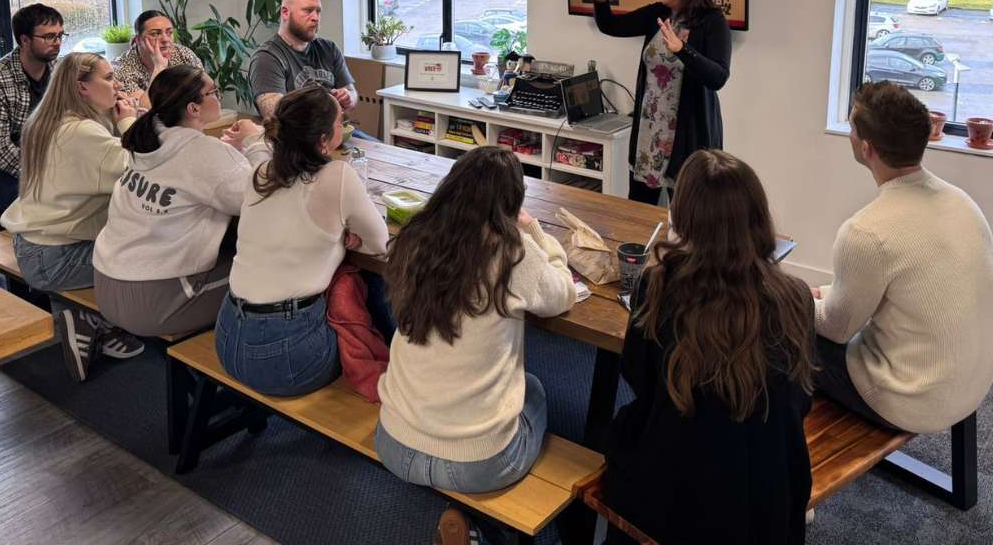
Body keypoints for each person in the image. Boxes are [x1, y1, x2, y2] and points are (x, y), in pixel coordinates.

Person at [605, 149, 815, 545]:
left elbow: (637, 377)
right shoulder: (796, 297)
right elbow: (800, 400)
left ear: (682, 220)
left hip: (675, 496)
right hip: (769, 492)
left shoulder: (659, 286)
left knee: (621, 434)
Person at [375, 147, 576, 544]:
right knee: (531, 389)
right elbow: (562, 294)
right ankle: (479, 526)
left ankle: (462, 520)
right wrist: (535, 232)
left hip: (394, 442)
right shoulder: (511, 250)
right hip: (479, 463)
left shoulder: (415, 236)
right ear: (511, 203)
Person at [814, 81, 993, 434]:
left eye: (851, 127)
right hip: (975, 383)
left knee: (777, 331)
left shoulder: (865, 232)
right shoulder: (964, 203)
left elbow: (835, 329)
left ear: (866, 148)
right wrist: (830, 292)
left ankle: (793, 457)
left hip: (912, 400)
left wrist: (798, 299)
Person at [215, 84, 389, 396]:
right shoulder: (338, 176)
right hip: (287, 355)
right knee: (372, 308)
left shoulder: (260, 173)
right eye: (340, 123)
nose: (343, 127)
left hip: (228, 338)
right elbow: (378, 244)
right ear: (324, 140)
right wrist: (344, 240)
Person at [0, 52, 144, 381]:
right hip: (56, 258)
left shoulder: (50, 120)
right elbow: (135, 170)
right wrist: (127, 121)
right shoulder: (81, 133)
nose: (117, 83)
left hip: (36, 246)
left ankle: (94, 321)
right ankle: (91, 318)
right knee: (149, 253)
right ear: (82, 87)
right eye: (108, 78)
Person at [92, 66, 266, 338]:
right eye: (213, 92)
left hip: (105, 283)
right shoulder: (205, 152)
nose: (218, 97)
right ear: (193, 109)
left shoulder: (149, 136)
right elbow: (262, 197)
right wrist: (257, 140)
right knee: (269, 273)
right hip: (152, 302)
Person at [581, 0, 731, 206]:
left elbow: (717, 77)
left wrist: (683, 50)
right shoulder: (658, 14)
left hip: (689, 136)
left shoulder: (713, 22)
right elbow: (612, 26)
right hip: (649, 133)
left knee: (688, 216)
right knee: (638, 212)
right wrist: (600, 2)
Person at [247, 0, 358, 122]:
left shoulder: (329, 48)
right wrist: (322, 104)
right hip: (295, 140)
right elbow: (275, 114)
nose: (315, 18)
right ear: (285, 13)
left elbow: (352, 93)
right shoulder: (267, 57)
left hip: (335, 131)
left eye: (318, 12)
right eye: (308, 11)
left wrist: (348, 98)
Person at [0, 3, 64, 213]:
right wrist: (43, 173)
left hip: (47, 156)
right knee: (43, 206)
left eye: (60, 35)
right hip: (7, 165)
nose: (57, 43)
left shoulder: (58, 69)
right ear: (24, 40)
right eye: (49, 37)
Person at [111, 10, 203, 98]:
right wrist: (159, 67)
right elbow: (143, 109)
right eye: (155, 34)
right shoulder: (122, 68)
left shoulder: (184, 54)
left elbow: (205, 90)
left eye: (169, 32)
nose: (165, 39)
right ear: (138, 40)